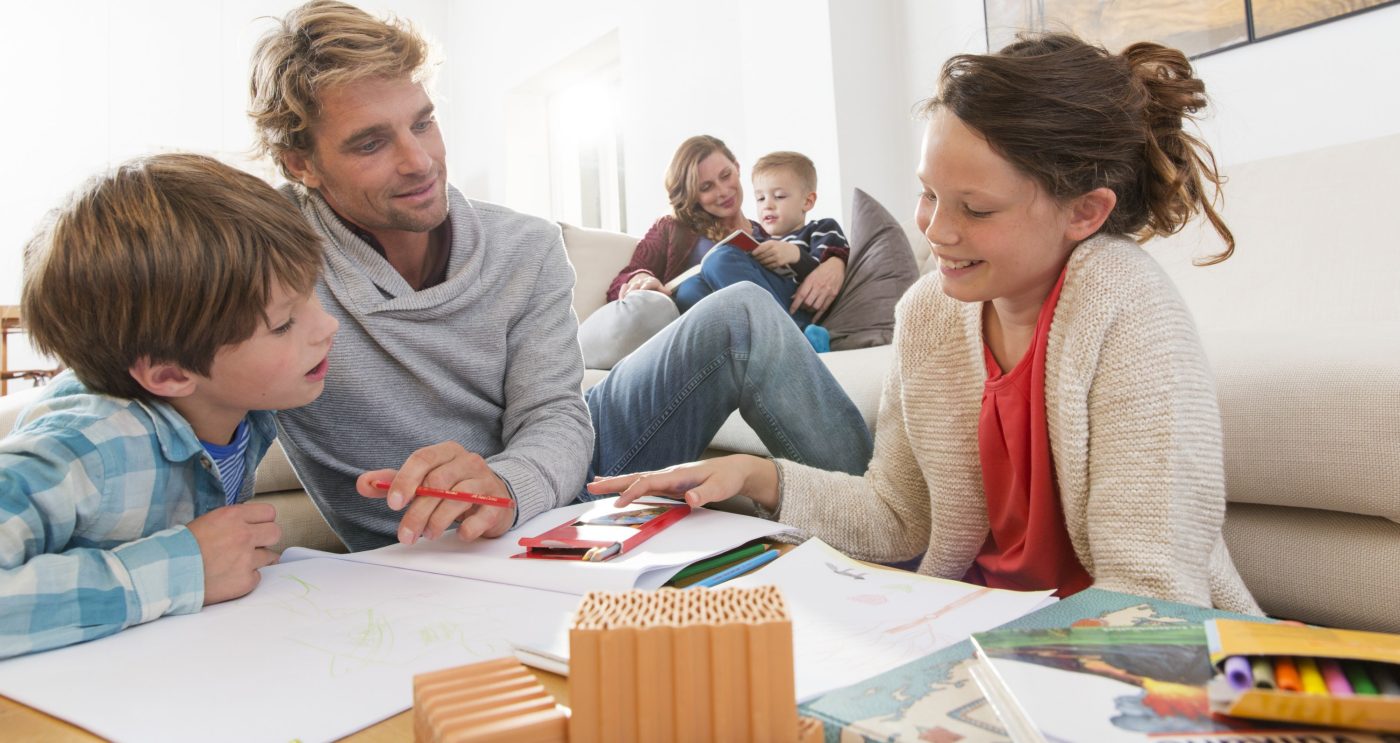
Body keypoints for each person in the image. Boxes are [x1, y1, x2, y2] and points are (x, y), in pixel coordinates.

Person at [591, 33, 1263, 613]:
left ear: (1084, 212)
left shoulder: (1128, 309)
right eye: (928, 194)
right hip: (953, 618)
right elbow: (898, 516)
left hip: (1098, 659)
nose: (937, 231)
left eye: (974, 207)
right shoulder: (930, 313)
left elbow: (1150, 600)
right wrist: (756, 475)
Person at [249, 1, 875, 550]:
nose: (420, 161)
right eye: (369, 144)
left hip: (566, 466)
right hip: (433, 544)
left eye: (423, 121)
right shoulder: (260, 260)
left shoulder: (525, 247)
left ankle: (890, 544)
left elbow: (553, 414)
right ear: (299, 162)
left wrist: (506, 483)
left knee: (742, 311)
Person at [0, 153, 337, 658]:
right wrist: (183, 568)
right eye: (283, 324)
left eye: (309, 295)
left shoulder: (242, 408)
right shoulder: (87, 446)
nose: (328, 325)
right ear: (171, 374)